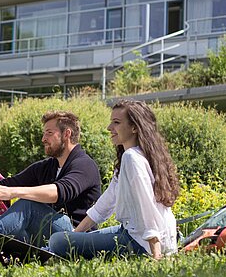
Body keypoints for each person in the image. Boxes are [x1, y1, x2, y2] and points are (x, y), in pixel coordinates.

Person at [48, 100, 180, 260]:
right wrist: (74, 235)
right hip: (135, 232)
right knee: (65, 239)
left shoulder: (132, 158)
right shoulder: (136, 156)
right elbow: (106, 203)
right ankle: (52, 248)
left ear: (134, 127)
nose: (109, 127)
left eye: (116, 122)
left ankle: (50, 249)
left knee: (57, 241)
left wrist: (156, 255)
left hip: (141, 243)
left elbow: (146, 206)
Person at [0, 111, 102, 249]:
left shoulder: (84, 165)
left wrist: (14, 193)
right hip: (43, 234)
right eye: (44, 133)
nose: (43, 139)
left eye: (49, 133)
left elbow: (59, 192)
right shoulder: (46, 167)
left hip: (75, 235)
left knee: (28, 204)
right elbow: (8, 183)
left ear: (66, 134)